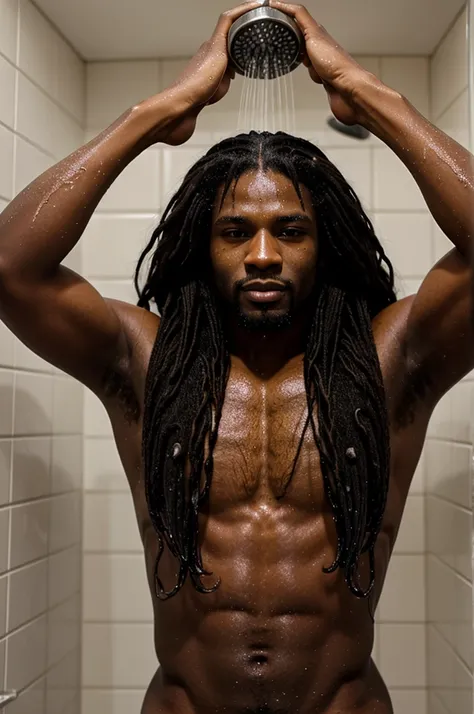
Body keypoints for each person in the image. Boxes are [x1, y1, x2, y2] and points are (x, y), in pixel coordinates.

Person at [0, 1, 472, 712]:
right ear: (202, 244)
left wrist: (366, 94)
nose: (261, 256)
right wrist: (163, 111)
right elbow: (10, 269)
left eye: (290, 230)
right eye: (233, 231)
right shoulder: (144, 361)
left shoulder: (390, 361)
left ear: (326, 245)